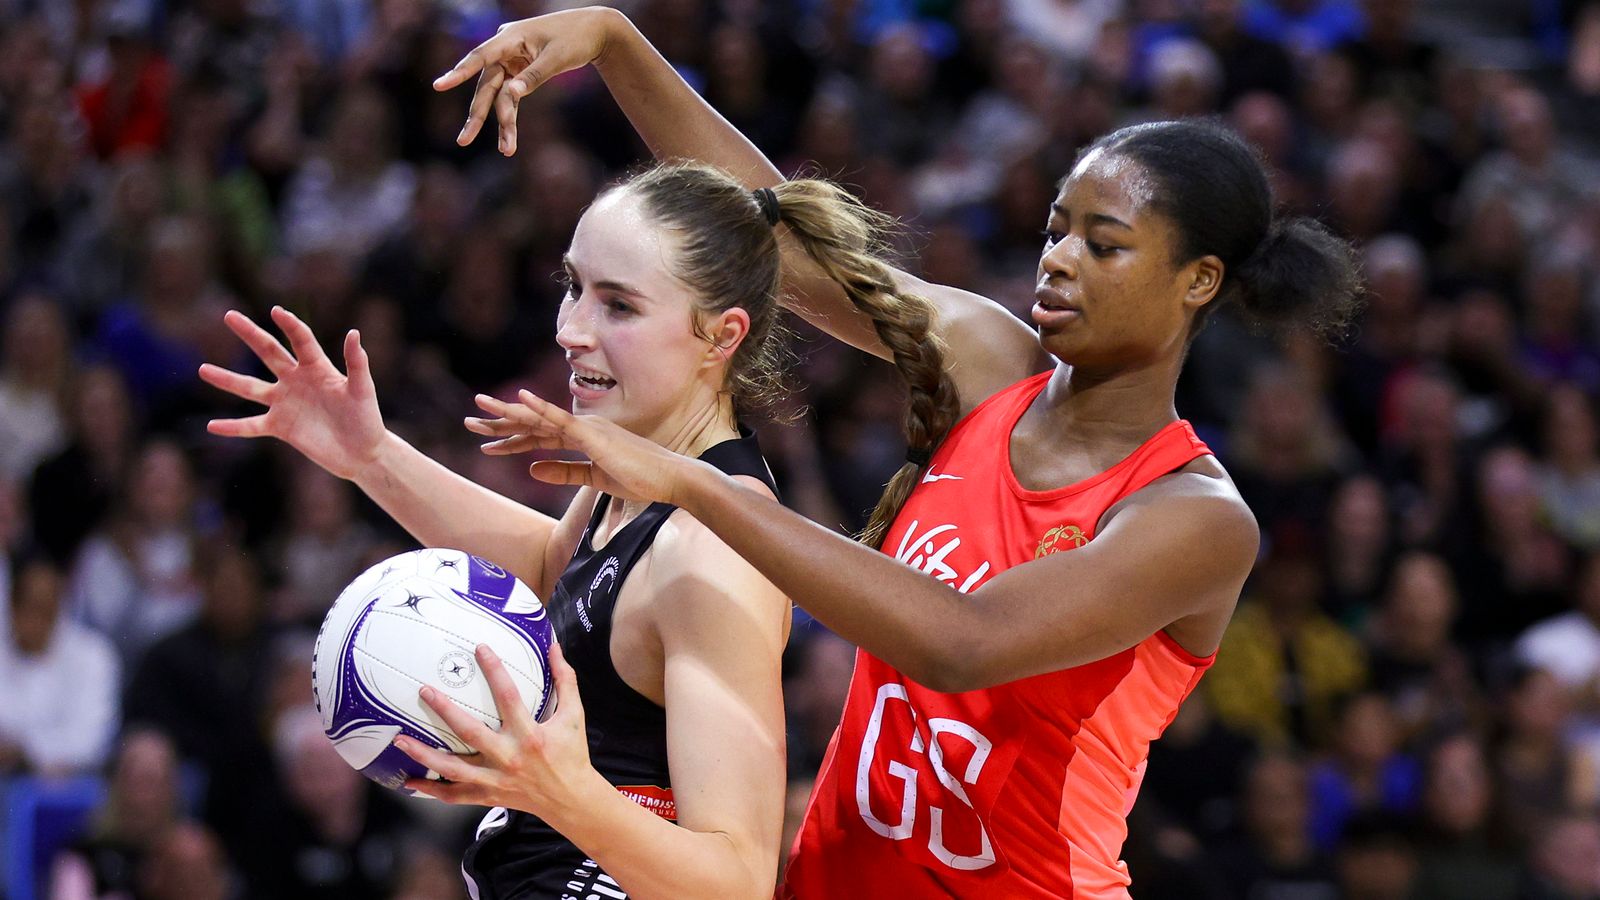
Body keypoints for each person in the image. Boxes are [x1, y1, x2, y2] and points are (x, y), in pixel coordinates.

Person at [433, 7, 1361, 896]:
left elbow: (964, 642)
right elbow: (772, 242)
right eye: (1056, 229)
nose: (1061, 259)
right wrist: (612, 40)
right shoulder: (991, 361)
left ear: (1198, 281)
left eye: (1104, 245)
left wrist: (695, 486)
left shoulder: (1191, 517)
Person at [199, 159, 950, 897]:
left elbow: (737, 880)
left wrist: (561, 793)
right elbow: (564, 583)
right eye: (573, 288)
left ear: (720, 338)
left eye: (618, 306)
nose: (571, 330)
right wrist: (372, 457)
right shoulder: (635, 469)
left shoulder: (713, 549)